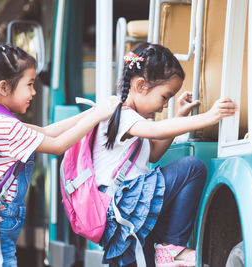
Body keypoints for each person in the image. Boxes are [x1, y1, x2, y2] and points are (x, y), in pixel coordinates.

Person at [0, 44, 119, 266]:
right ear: (4, 87)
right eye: (30, 84)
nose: (34, 92)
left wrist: (94, 112)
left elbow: (46, 132)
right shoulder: (5, 127)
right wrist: (96, 116)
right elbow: (58, 145)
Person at [93, 43, 237, 267]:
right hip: (124, 204)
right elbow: (156, 130)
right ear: (141, 85)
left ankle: (167, 253)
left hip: (127, 208)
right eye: (164, 97)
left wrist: (179, 115)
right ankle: (172, 248)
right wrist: (210, 117)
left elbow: (154, 154)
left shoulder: (129, 118)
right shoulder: (120, 113)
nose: (164, 106)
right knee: (192, 168)